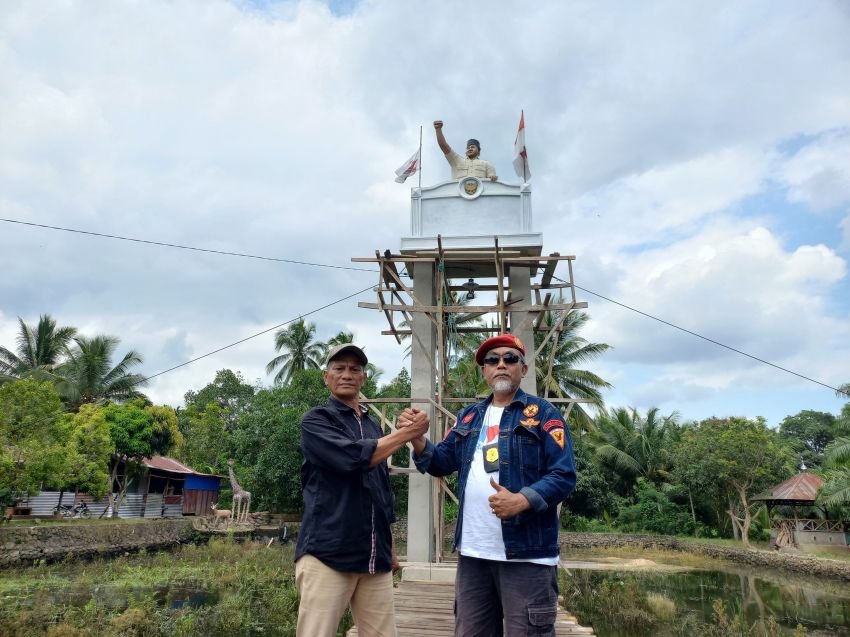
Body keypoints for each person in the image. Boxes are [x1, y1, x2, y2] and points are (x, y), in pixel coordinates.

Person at [399, 334, 576, 637]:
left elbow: (564, 475)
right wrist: (417, 438)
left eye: (510, 359)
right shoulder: (469, 415)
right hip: (474, 554)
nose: (501, 365)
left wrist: (523, 500)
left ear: (524, 367)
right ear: (484, 370)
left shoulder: (544, 414)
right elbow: (440, 462)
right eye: (492, 360)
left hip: (527, 554)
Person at [295, 343, 429, 637]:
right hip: (327, 553)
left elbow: (380, 489)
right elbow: (352, 459)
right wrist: (409, 432)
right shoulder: (316, 421)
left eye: (354, 369)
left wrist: (389, 545)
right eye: (339, 368)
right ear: (326, 376)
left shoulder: (372, 425)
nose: (347, 375)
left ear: (364, 378)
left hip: (374, 557)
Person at [434, 119, 498, 181]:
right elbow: (443, 145)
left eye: (472, 147)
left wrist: (492, 177)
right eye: (468, 148)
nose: (470, 149)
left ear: (479, 151)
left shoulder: (486, 164)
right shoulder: (457, 161)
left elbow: (492, 181)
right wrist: (438, 129)